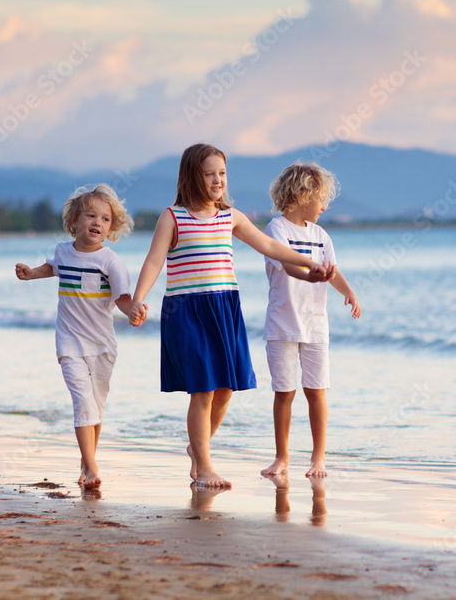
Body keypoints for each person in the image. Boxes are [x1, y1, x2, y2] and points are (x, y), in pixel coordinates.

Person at [128, 144, 334, 488]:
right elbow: (153, 260)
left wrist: (308, 263)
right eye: (209, 174)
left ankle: (198, 448)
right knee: (203, 389)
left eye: (221, 173)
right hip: (187, 309)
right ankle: (205, 466)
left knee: (224, 389)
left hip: (224, 308)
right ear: (192, 177)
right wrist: (138, 299)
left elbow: (269, 246)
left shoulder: (231, 217)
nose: (217, 180)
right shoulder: (173, 217)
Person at [15, 184, 137, 489]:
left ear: (112, 228)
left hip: (102, 347)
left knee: (96, 406)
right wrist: (31, 273)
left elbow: (123, 299)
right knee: (83, 403)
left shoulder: (110, 262)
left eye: (105, 219)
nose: (97, 222)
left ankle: (86, 465)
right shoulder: (63, 251)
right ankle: (93, 469)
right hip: (69, 344)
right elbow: (52, 267)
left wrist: (134, 310)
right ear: (74, 222)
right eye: (90, 215)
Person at [260, 163, 360, 478]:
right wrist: (311, 274)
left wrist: (348, 291)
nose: (325, 206)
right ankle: (282, 457)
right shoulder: (276, 230)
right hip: (282, 324)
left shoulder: (321, 235)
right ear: (303, 195)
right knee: (284, 392)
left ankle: (319, 458)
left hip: (316, 324)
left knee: (316, 390)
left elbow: (332, 270)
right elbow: (288, 266)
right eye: (321, 199)